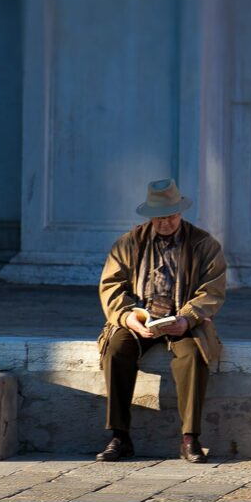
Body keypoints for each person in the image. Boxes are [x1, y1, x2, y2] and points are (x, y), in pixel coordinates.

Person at [96, 178, 226, 463]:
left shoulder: (204, 244)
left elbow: (212, 291)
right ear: (149, 216)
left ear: (180, 213)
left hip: (182, 318)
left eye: (171, 216)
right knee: (116, 350)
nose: (166, 223)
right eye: (159, 218)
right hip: (141, 316)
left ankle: (190, 438)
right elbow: (111, 286)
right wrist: (128, 316)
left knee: (193, 355)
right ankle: (119, 436)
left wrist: (187, 318)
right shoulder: (129, 243)